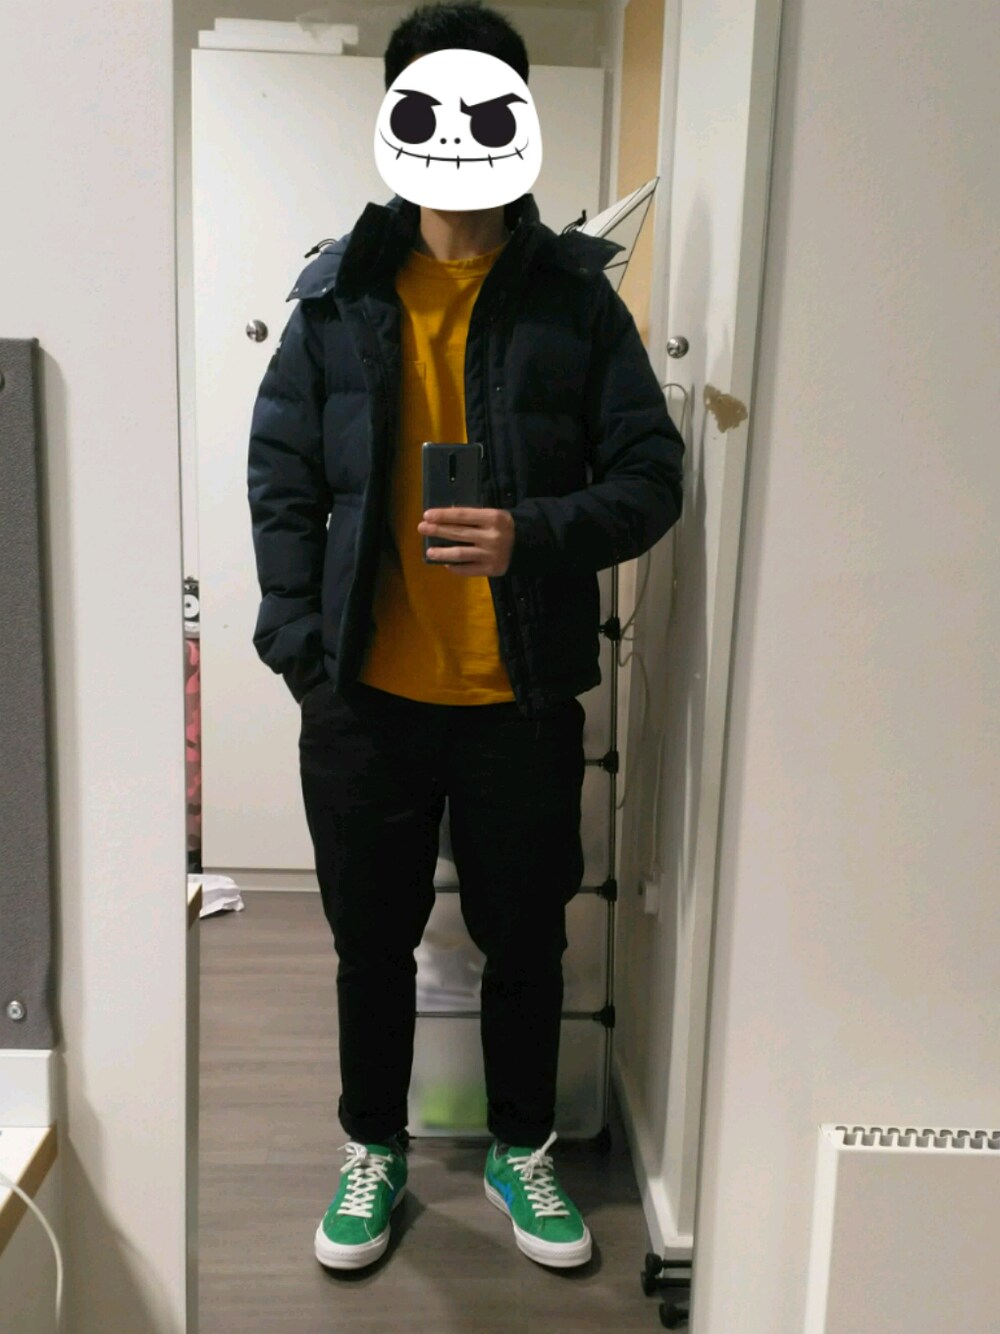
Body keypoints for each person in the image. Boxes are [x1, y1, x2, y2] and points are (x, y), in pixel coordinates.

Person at [247, 0, 684, 1275]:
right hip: (363, 696)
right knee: (369, 945)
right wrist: (299, 646)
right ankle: (372, 1145)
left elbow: (652, 478)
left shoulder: (575, 303)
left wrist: (527, 534)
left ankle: (518, 1145)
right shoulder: (336, 294)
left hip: (519, 694)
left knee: (526, 941)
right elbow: (280, 476)